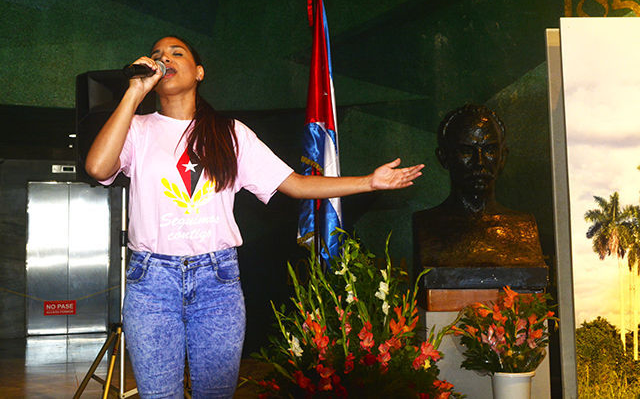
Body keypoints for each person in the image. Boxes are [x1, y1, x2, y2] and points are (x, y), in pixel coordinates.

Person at [85, 36, 424, 398]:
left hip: (216, 283)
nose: (164, 58)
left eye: (175, 53)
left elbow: (294, 184)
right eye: (157, 56)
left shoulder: (231, 134)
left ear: (199, 72)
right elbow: (97, 167)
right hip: (151, 283)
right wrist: (134, 93)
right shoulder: (137, 129)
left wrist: (369, 182)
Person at [412, 104, 545, 269]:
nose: (479, 162)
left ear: (503, 157)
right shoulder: (428, 226)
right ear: (444, 157)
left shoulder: (523, 227)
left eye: (489, 150)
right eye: (467, 151)